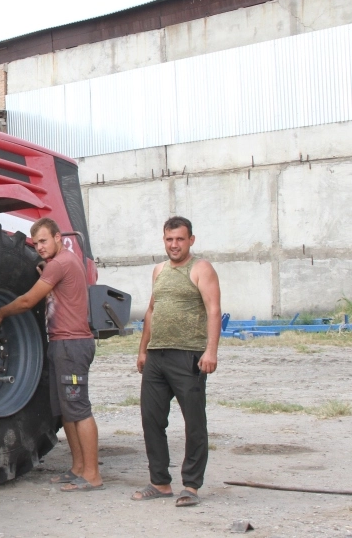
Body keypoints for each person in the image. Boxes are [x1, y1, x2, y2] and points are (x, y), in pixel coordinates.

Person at [0, 217, 102, 491]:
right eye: (35, 242)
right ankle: (77, 468)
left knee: (78, 408)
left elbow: (28, 301)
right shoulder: (59, 264)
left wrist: (0, 313)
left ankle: (92, 475)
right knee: (66, 410)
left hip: (72, 345)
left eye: (43, 240)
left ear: (57, 237)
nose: (39, 246)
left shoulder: (61, 263)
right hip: (61, 343)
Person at [132, 216, 221, 507]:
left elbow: (213, 310)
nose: (174, 245)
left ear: (191, 240)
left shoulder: (201, 269)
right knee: (151, 420)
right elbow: (150, 311)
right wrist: (143, 350)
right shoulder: (159, 270)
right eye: (170, 239)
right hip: (157, 356)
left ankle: (191, 486)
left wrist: (211, 351)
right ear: (164, 240)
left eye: (180, 239)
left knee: (194, 422)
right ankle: (160, 482)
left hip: (189, 356)